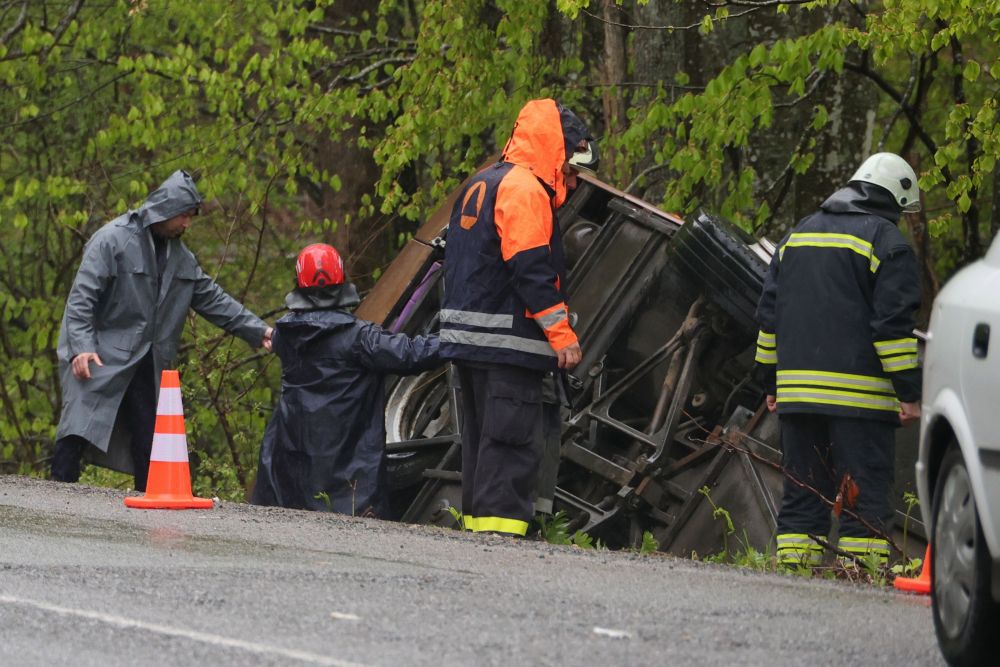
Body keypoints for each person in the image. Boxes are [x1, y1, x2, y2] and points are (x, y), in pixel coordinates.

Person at [52, 169, 273, 491]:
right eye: (183, 216)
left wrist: (260, 331)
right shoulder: (112, 240)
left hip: (147, 359)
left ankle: (148, 504)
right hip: (98, 353)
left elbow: (213, 299)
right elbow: (81, 299)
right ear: (165, 210)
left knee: (148, 437)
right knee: (77, 429)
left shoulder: (181, 257)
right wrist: (82, 347)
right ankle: (57, 493)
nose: (187, 224)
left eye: (190, 217)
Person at [755, 153, 923, 568]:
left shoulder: (797, 236)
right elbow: (892, 330)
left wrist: (769, 384)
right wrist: (909, 394)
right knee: (862, 502)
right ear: (895, 199)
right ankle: (858, 583)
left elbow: (769, 321)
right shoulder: (888, 243)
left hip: (798, 399)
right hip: (861, 404)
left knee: (802, 497)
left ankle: (795, 574)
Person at [439, 98, 598, 537]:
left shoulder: (484, 182)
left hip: (472, 345)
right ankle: (500, 544)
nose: (572, 178)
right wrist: (561, 334)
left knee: (482, 447)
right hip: (507, 347)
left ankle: (480, 534)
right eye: (571, 165)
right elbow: (531, 268)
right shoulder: (526, 190)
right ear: (556, 148)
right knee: (509, 448)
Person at [252, 243, 440, 516]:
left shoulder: (285, 336)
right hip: (349, 473)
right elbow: (411, 354)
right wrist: (457, 338)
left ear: (298, 282)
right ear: (341, 279)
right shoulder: (360, 338)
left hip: (290, 467)